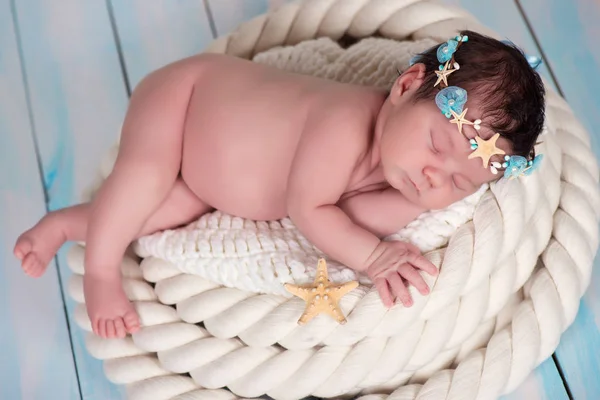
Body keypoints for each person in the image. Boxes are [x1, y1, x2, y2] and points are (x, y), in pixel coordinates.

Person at [14, 30, 545, 339]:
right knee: (144, 175)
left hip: (206, 181)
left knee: (161, 210)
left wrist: (401, 209)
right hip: (185, 101)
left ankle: (64, 224)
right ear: (405, 87)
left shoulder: (396, 175)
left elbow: (354, 216)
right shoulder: (341, 124)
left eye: (457, 182)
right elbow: (309, 210)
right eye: (435, 145)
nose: (434, 178)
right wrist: (376, 258)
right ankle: (101, 270)